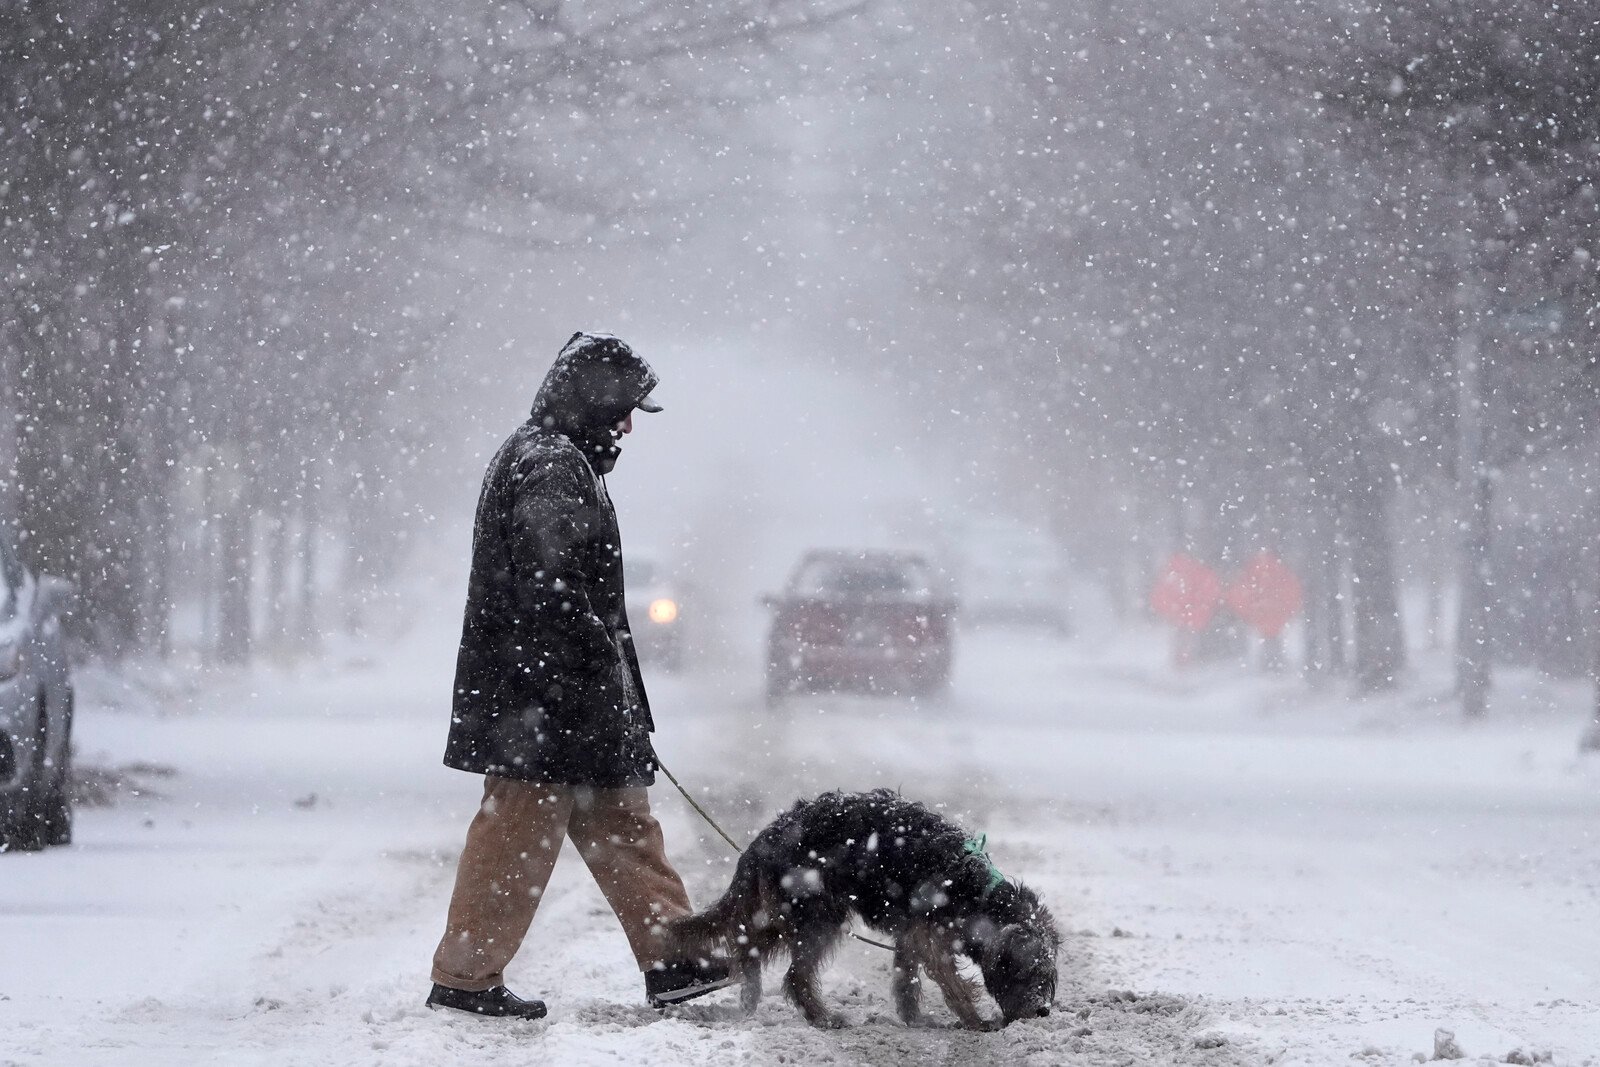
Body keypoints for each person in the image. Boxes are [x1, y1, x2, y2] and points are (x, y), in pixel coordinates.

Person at [427, 332, 731, 1019]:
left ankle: (674, 958)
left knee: (623, 824)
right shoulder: (549, 465)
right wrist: (593, 672)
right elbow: (550, 585)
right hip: (541, 700)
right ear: (590, 401)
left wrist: (611, 694)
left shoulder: (560, 459)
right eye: (622, 409)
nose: (627, 425)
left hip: (564, 698)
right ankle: (466, 977)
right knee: (516, 835)